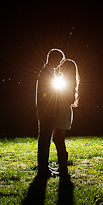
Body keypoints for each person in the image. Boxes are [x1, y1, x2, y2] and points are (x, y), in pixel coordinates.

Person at [35, 49, 79, 177]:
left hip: (50, 112)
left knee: (51, 140)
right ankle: (44, 168)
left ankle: (47, 167)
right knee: (47, 140)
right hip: (48, 112)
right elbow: (47, 95)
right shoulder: (47, 73)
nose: (59, 64)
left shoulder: (49, 73)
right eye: (59, 61)